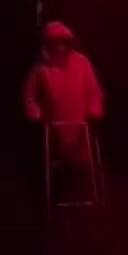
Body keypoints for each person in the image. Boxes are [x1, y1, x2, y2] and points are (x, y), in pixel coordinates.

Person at [22, 21, 105, 202]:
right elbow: (29, 96)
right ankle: (56, 201)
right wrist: (36, 115)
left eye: (63, 42)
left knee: (80, 168)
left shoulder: (82, 62)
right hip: (54, 127)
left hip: (81, 126)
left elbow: (94, 91)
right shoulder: (40, 67)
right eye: (55, 43)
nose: (60, 47)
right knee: (58, 169)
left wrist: (94, 112)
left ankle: (84, 204)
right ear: (48, 44)